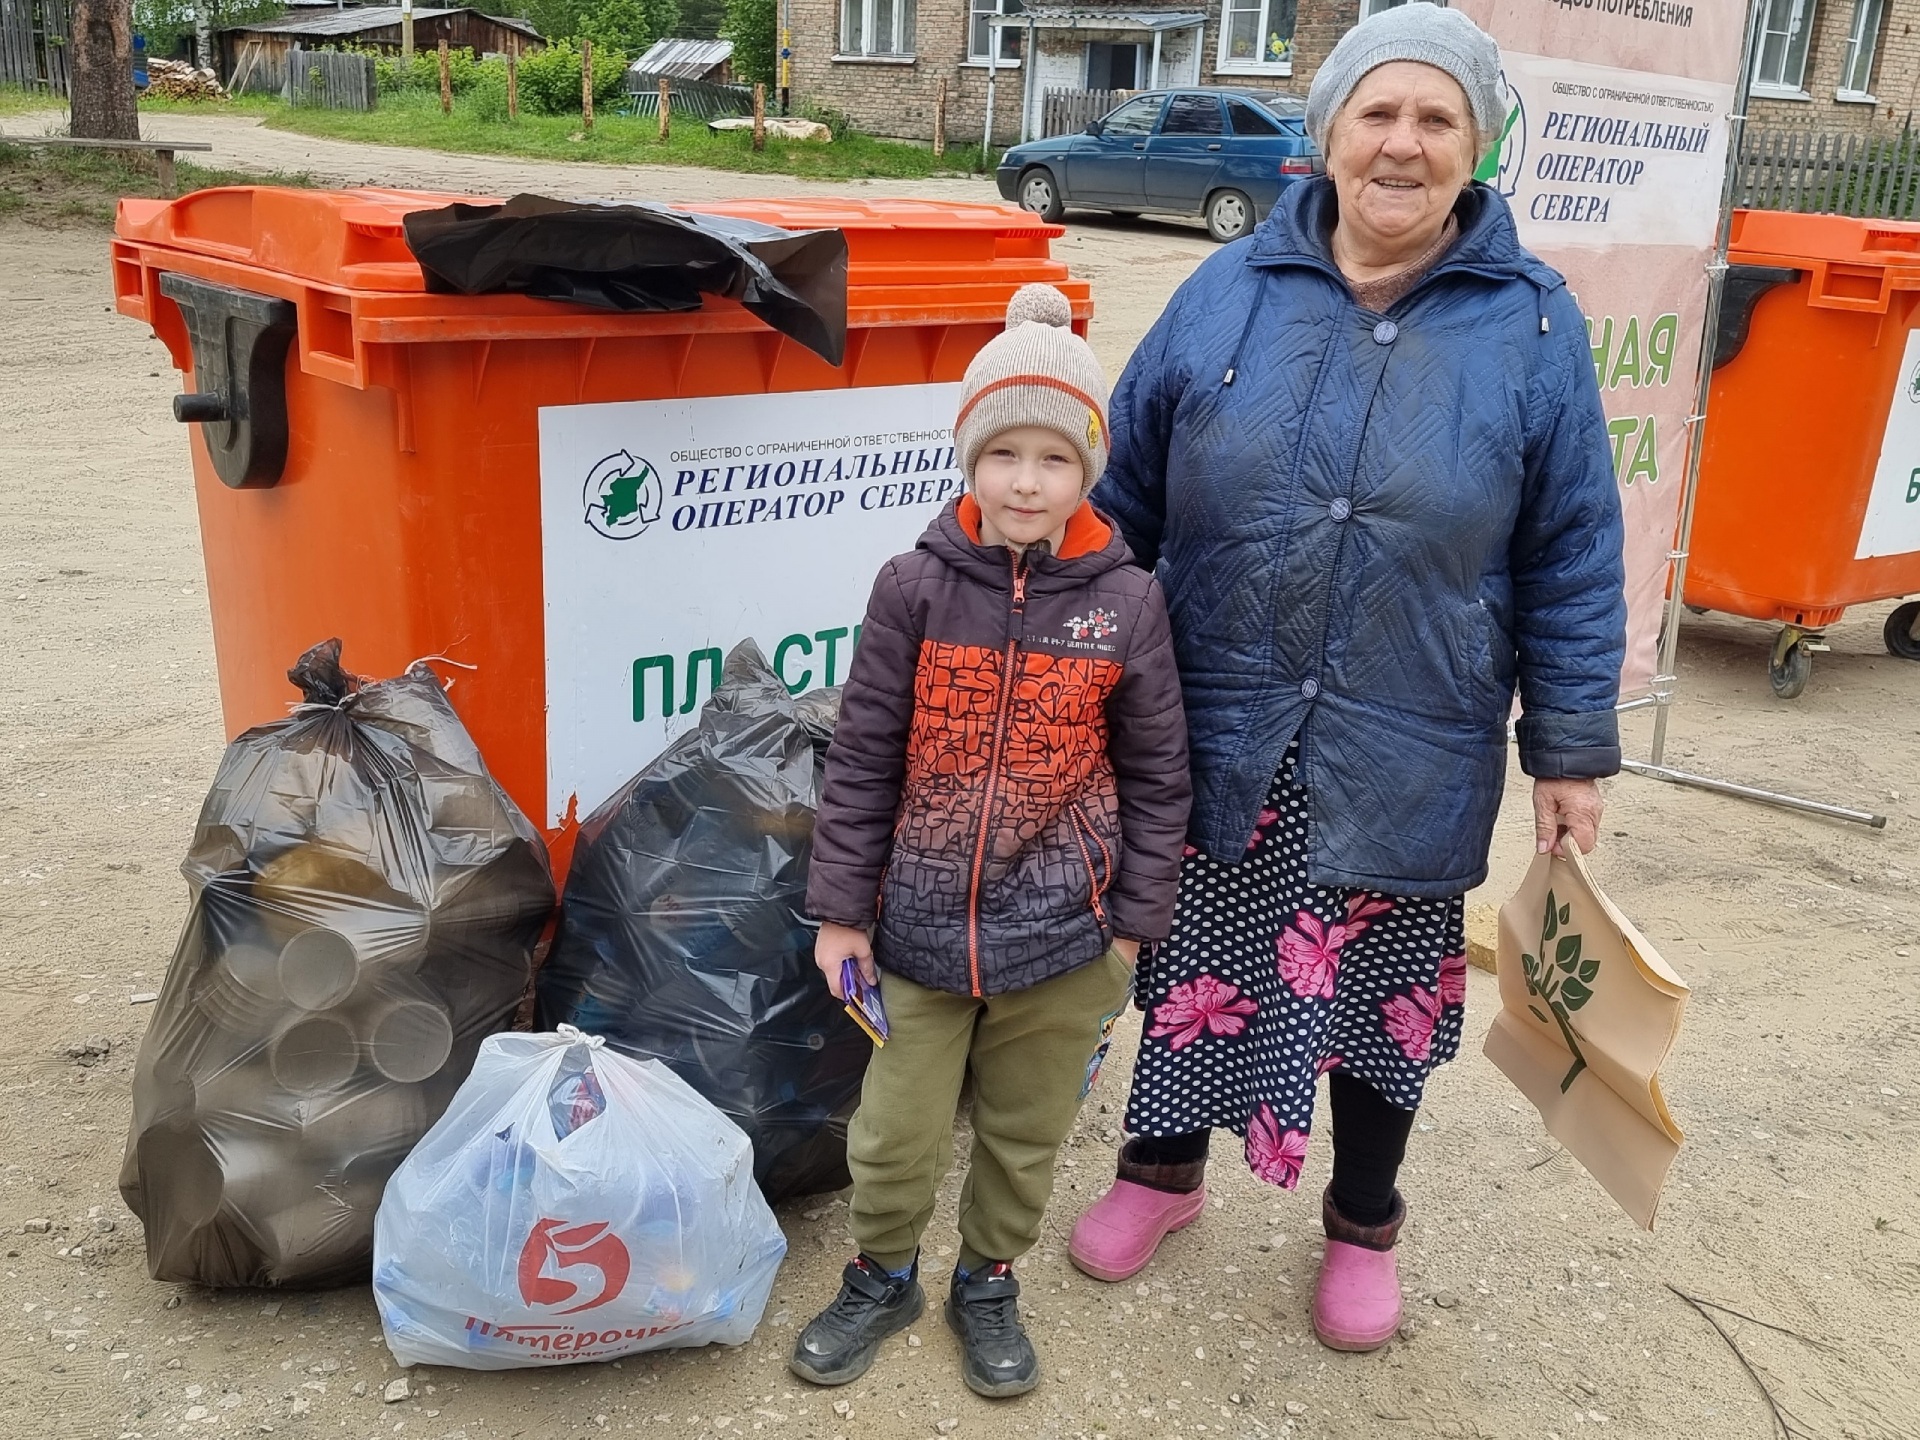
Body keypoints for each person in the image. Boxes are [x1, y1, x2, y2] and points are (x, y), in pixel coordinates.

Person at [1067, 2, 1628, 1355]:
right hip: (1217, 722)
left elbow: (1573, 553)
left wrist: (1570, 748)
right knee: (1189, 963)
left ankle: (1364, 1221)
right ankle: (1161, 1174)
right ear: (1326, 134)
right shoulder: (1225, 291)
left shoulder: (1534, 330)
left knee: (1382, 1004)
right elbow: (1125, 499)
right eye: (1378, 112)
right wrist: (1074, 667)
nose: (1403, 143)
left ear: (1478, 147)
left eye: (1437, 118)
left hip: (1409, 731)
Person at [793, 284, 1192, 1398]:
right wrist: (839, 916)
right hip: (916, 936)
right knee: (892, 1135)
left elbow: (1161, 778)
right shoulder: (912, 589)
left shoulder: (1129, 603)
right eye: (1004, 451)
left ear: (1089, 468)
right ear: (969, 456)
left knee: (1025, 1137)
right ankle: (882, 1275)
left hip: (1065, 940)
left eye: (1055, 458)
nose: (1028, 480)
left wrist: (1129, 933)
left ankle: (987, 1278)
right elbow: (862, 759)